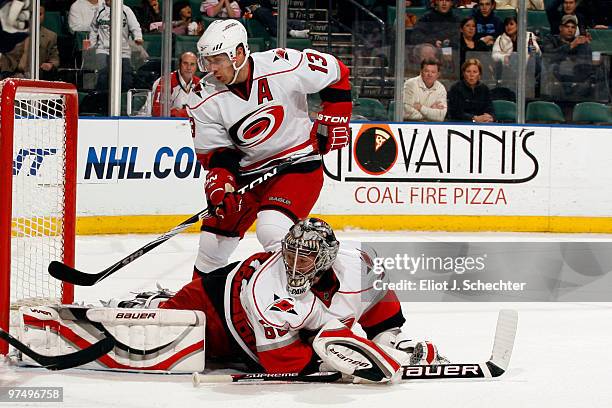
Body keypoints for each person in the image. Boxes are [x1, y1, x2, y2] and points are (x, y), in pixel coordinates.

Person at [185, 20, 351, 277]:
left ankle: (303, 297)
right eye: (207, 61)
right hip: (248, 174)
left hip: (297, 163)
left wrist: (335, 117)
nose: (212, 68)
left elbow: (338, 73)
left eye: (218, 60)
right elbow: (217, 152)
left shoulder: (282, 65)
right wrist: (221, 181)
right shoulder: (202, 96)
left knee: (272, 229)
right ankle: (203, 302)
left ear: (238, 53)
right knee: (211, 245)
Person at [88, 0, 143, 90]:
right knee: (103, 74)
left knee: (126, 77)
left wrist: (138, 37)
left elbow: (135, 26)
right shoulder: (99, 11)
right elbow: (93, 28)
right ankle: (101, 100)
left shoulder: (126, 10)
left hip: (123, 50)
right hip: (103, 49)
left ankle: (124, 101)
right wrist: (92, 44)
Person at [541, 14, 594, 98]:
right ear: (560, 28)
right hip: (555, 82)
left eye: (573, 27)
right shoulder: (550, 39)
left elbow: (586, 68)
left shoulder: (580, 43)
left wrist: (587, 44)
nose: (570, 30)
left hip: (576, 85)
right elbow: (549, 57)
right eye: (567, 26)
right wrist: (571, 46)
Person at [9, 5, 60, 80]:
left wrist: (50, 64)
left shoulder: (51, 36)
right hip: (12, 75)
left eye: (40, 14)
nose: (36, 17)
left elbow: (54, 57)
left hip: (36, 76)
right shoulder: (11, 32)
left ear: (44, 16)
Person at [151, 52, 201, 117]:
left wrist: (180, 112)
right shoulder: (166, 81)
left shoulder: (198, 83)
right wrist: (186, 113)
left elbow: (204, 110)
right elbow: (157, 112)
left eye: (192, 64)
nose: (189, 67)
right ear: (179, 64)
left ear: (196, 67)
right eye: (185, 63)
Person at [447, 58, 495, 122]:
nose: (471, 75)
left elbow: (490, 109)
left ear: (479, 75)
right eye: (468, 71)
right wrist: (474, 118)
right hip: (461, 124)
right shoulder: (456, 88)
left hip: (482, 125)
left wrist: (490, 117)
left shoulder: (484, 89)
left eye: (475, 72)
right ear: (463, 73)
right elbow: (455, 113)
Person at [237, 0, 309, 38]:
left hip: (269, 18)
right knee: (260, 11)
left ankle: (300, 39)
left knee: (296, 23)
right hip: (254, 18)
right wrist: (253, 10)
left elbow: (270, 11)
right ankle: (291, 32)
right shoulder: (243, 1)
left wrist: (274, 15)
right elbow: (244, 15)